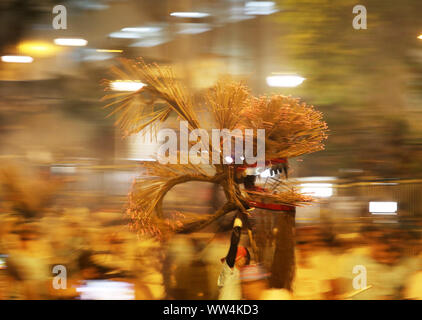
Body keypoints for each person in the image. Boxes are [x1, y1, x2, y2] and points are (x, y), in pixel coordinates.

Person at [217, 216, 250, 300]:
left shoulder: (243, 274)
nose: (244, 260)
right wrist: (237, 227)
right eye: (242, 258)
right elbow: (233, 245)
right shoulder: (230, 270)